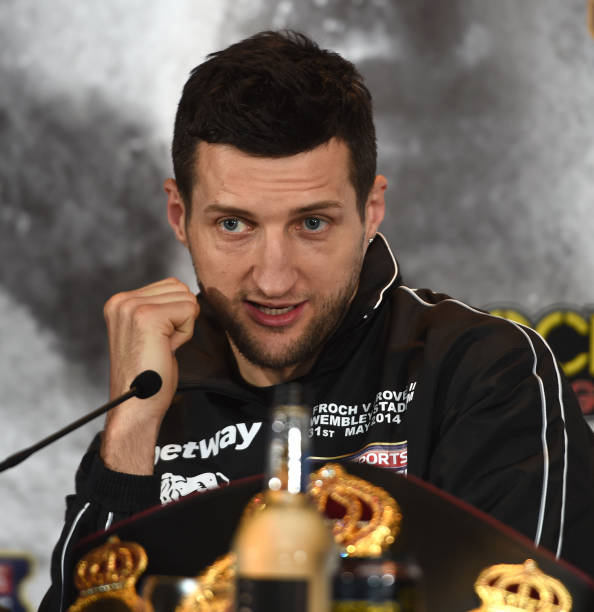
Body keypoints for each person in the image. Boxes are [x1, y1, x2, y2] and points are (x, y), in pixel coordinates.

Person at [43, 30, 594, 609]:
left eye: (311, 224)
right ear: (179, 216)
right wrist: (131, 428)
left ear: (371, 210)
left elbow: (534, 600)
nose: (274, 279)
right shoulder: (155, 389)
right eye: (234, 225)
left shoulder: (482, 371)